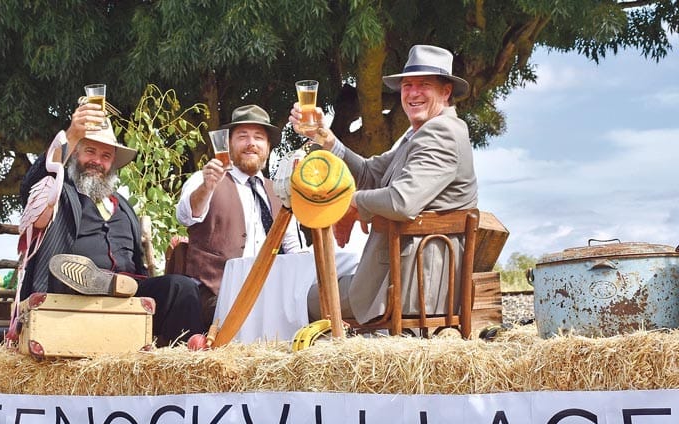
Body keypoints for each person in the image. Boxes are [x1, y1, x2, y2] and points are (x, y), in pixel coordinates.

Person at [288, 44, 479, 325]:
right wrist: (325, 139)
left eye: (423, 85)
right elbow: (370, 173)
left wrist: (349, 204)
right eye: (407, 85)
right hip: (401, 276)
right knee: (313, 289)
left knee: (299, 299)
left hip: (415, 287)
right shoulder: (418, 134)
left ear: (446, 91)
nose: (412, 93)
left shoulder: (442, 133)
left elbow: (401, 202)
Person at [18, 101, 203, 346]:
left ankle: (183, 359)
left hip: (130, 292)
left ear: (113, 164)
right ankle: (102, 282)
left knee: (183, 287)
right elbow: (34, 183)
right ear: (74, 153)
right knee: (75, 278)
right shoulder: (59, 191)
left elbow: (138, 263)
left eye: (105, 156)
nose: (97, 161)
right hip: (67, 294)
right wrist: (72, 134)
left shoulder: (124, 206)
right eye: (90, 152)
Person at [176, 105, 305, 328]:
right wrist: (207, 188)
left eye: (258, 137)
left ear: (268, 147)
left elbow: (294, 248)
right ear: (229, 144)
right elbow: (187, 215)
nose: (251, 143)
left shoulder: (280, 192)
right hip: (216, 299)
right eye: (242, 136)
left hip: (271, 297)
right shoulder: (205, 178)